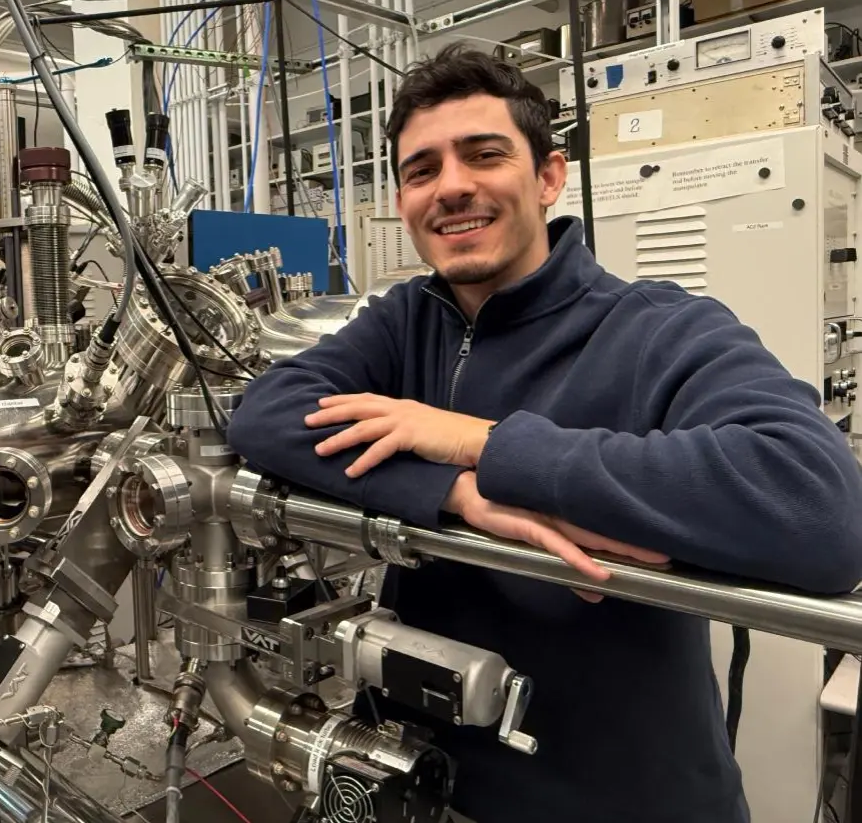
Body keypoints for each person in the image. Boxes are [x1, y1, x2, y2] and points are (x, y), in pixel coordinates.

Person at [225, 43, 862, 823]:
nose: (451, 186)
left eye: (483, 155)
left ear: (549, 177)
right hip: (420, 779)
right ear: (402, 201)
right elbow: (266, 412)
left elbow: (820, 507)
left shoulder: (656, 329)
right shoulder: (404, 322)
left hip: (619, 800)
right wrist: (457, 493)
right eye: (422, 170)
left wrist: (483, 444)